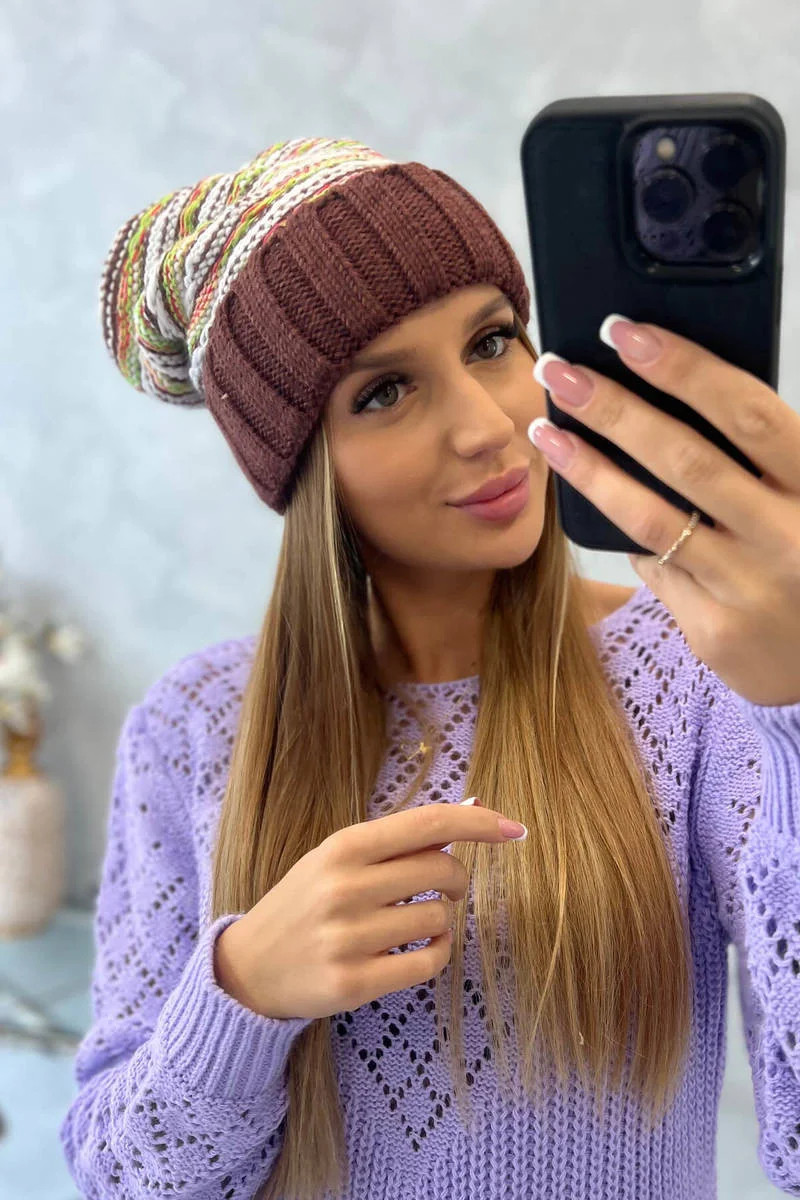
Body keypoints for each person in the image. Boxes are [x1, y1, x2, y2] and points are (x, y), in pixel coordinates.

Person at [60, 138, 800, 1200]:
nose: (488, 426)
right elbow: (121, 1178)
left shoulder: (698, 670)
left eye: (492, 341)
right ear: (303, 470)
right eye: (383, 393)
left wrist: (791, 707)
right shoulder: (193, 723)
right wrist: (242, 991)